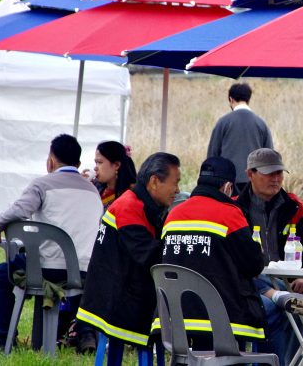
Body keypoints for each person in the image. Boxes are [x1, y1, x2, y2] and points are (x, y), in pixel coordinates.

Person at [0, 134, 103, 353]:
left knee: (1, 274)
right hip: (84, 274)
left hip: (46, 270)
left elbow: (18, 211)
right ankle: (82, 333)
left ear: (50, 160)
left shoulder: (42, 184)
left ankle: (2, 339)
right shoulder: (93, 191)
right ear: (78, 164)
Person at [155, 157, 266, 348]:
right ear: (227, 187)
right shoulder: (229, 213)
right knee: (277, 314)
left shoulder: (173, 215)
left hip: (177, 317)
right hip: (226, 319)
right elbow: (254, 265)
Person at [76, 152, 181, 350]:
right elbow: (149, 256)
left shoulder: (141, 203)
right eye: (175, 183)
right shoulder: (129, 206)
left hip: (120, 289)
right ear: (154, 181)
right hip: (114, 299)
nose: (177, 190)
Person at [234, 148, 303, 365]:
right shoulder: (234, 207)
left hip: (289, 283)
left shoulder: (294, 206)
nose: (275, 179)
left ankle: (292, 361)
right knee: (281, 307)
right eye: (268, 173)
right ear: (250, 174)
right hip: (249, 284)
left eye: (279, 173)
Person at [207, 83, 274, 193]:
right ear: (248, 98)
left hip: (227, 184)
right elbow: (270, 157)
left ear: (230, 99)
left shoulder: (223, 122)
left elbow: (212, 155)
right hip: (255, 183)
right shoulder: (261, 124)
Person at [83, 141, 137, 209]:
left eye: (100, 162)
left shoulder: (132, 193)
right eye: (96, 162)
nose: (95, 168)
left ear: (116, 165)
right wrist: (82, 185)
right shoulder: (95, 187)